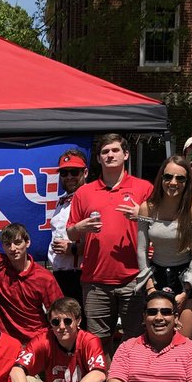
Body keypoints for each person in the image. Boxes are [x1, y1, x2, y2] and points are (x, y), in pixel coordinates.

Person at [65, 133, 155, 353]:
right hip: (95, 281)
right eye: (105, 152)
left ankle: (130, 375)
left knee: (136, 340)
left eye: (115, 150)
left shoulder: (144, 188)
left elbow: (161, 228)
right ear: (98, 158)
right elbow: (71, 233)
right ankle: (104, 376)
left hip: (134, 278)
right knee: (98, 342)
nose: (110, 155)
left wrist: (142, 216)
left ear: (126, 154)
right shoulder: (84, 193)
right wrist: (80, 227)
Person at [137, 154, 192, 338]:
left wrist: (186, 291)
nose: (173, 182)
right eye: (168, 177)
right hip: (155, 278)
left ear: (187, 182)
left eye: (180, 178)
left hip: (186, 279)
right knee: (157, 339)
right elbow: (141, 250)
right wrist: (150, 288)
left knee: (182, 340)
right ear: (161, 178)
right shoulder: (147, 208)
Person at [46, 149, 87, 302]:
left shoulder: (90, 199)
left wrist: (73, 249)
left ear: (85, 173)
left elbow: (103, 242)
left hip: (80, 275)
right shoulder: (62, 201)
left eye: (74, 172)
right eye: (64, 173)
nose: (69, 177)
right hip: (60, 274)